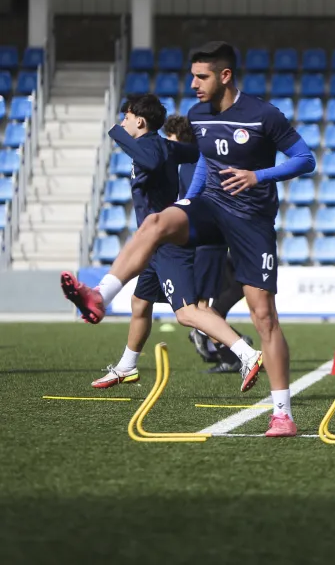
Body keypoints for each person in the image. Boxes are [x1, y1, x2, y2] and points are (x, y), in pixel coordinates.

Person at [60, 41, 315, 438]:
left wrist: (258, 176)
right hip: (209, 207)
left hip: (251, 220)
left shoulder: (264, 114)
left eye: (202, 76)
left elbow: (305, 158)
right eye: (192, 75)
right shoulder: (197, 115)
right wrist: (187, 201)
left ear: (224, 76)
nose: (193, 84)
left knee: (263, 316)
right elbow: (204, 164)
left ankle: (282, 413)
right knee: (158, 222)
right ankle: (101, 296)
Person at [90, 95, 203, 388]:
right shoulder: (163, 146)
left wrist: (115, 132)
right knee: (140, 302)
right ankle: (127, 367)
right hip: (153, 243)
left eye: (126, 117)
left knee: (187, 313)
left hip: (163, 240)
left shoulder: (150, 146)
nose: (123, 122)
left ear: (139, 121)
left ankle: (244, 351)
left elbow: (152, 160)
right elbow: (194, 153)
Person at [163, 113, 249, 374]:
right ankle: (233, 345)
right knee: (200, 306)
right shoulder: (203, 161)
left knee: (198, 307)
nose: (168, 143)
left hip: (203, 242)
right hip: (211, 241)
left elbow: (192, 203)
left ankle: (235, 352)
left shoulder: (191, 165)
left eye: (170, 138)